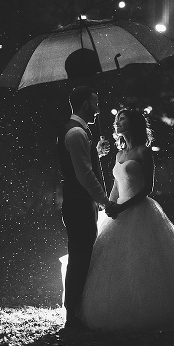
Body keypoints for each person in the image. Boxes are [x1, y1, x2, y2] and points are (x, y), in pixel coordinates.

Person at [78, 108, 174, 332]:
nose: (116, 122)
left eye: (122, 119)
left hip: (138, 210)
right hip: (118, 211)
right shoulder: (118, 155)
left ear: (133, 124)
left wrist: (124, 206)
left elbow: (147, 187)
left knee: (146, 262)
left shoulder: (143, 152)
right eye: (116, 120)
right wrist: (109, 204)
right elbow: (117, 185)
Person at [56, 86, 114, 332]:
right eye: (95, 102)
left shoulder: (77, 132)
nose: (98, 108)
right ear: (85, 104)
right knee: (80, 259)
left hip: (78, 202)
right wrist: (104, 200)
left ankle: (76, 313)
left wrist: (96, 153)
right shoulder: (76, 133)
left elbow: (82, 163)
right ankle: (73, 317)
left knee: (82, 257)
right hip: (79, 204)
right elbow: (84, 174)